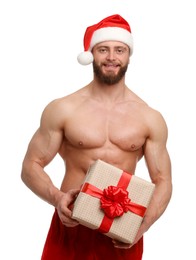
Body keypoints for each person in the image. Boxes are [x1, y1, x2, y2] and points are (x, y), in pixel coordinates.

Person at [21, 14, 172, 260]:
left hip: (122, 230)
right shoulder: (63, 109)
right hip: (71, 224)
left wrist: (143, 226)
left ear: (128, 56)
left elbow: (163, 179)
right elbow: (30, 165)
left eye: (119, 50)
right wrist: (57, 198)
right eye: (103, 49)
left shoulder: (149, 117)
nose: (112, 57)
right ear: (92, 54)